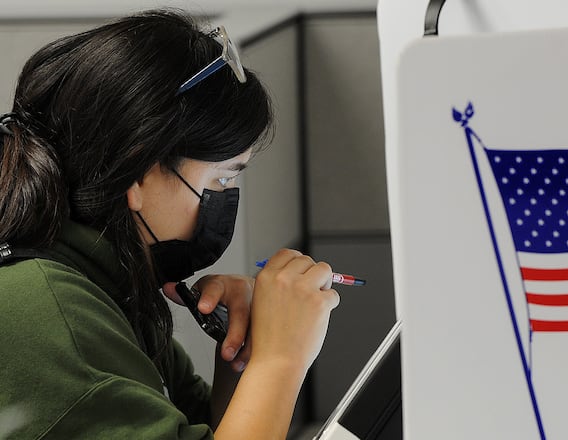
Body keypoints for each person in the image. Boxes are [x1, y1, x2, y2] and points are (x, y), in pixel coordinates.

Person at [0, 9, 340, 439]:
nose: (227, 197)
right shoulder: (54, 318)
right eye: (222, 177)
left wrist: (250, 350)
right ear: (136, 174)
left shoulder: (108, 282)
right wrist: (282, 358)